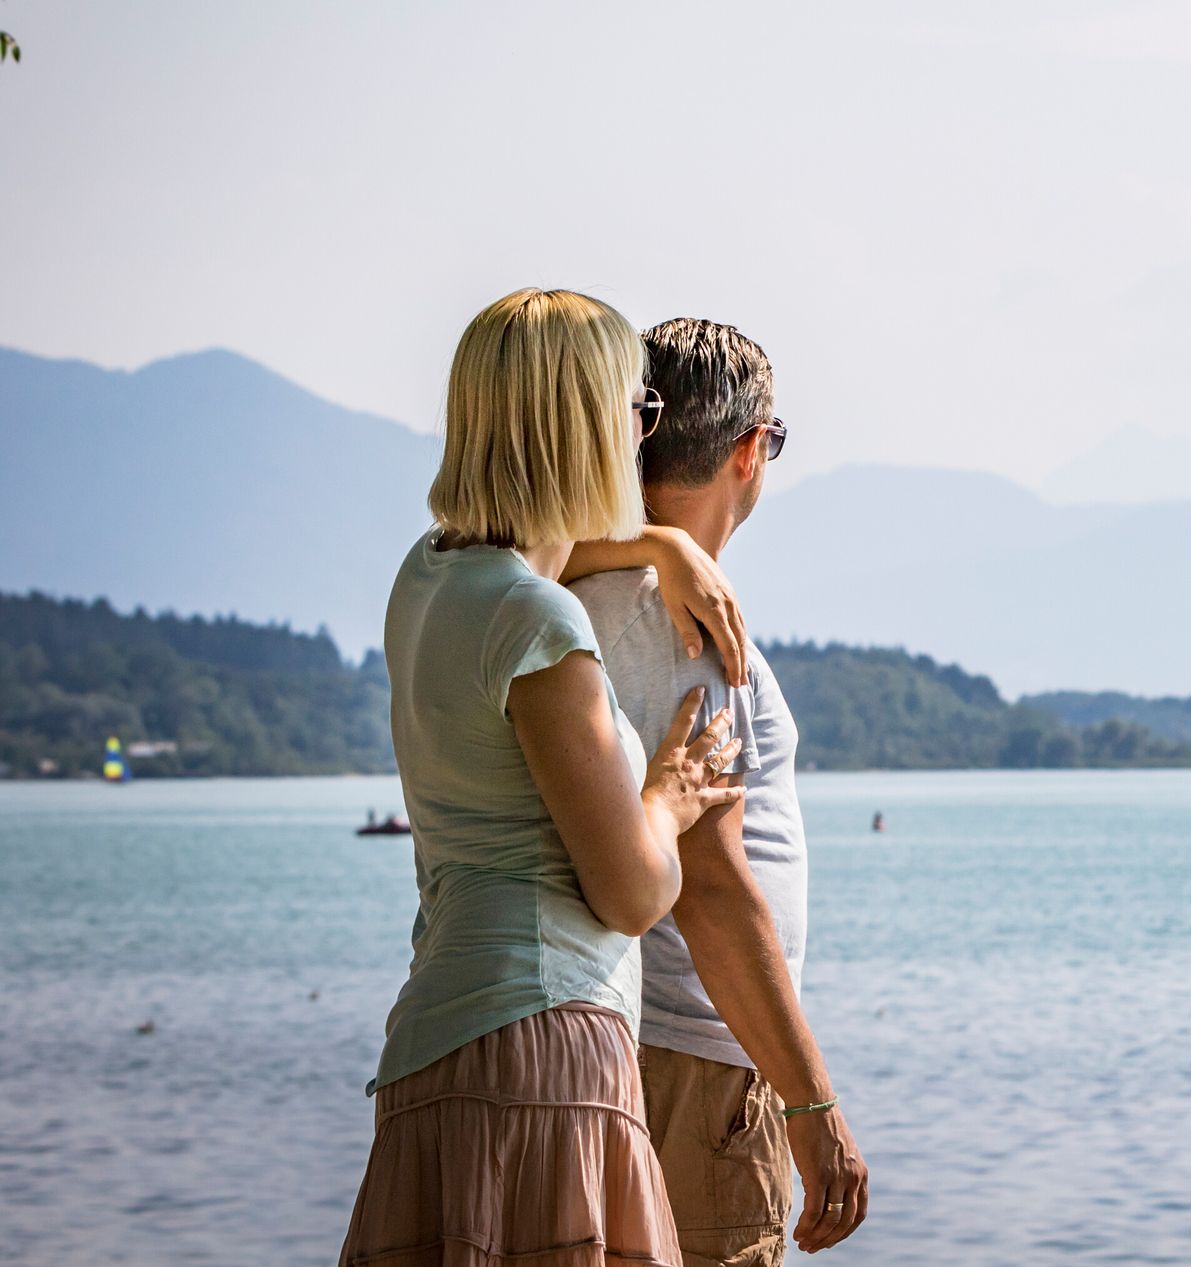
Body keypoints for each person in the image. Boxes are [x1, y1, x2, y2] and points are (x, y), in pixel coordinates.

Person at [340, 289, 744, 1267]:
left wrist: (658, 542)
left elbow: (539, 548)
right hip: (546, 1046)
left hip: (436, 1038)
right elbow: (632, 889)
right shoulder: (542, 628)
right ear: (584, 425)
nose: (643, 436)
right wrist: (670, 791)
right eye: (636, 411)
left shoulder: (428, 575)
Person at [572, 318, 868, 1263]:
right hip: (699, 1058)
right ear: (749, 451)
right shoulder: (692, 626)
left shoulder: (587, 583)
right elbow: (710, 886)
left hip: (635, 1046)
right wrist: (813, 1105)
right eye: (773, 440)